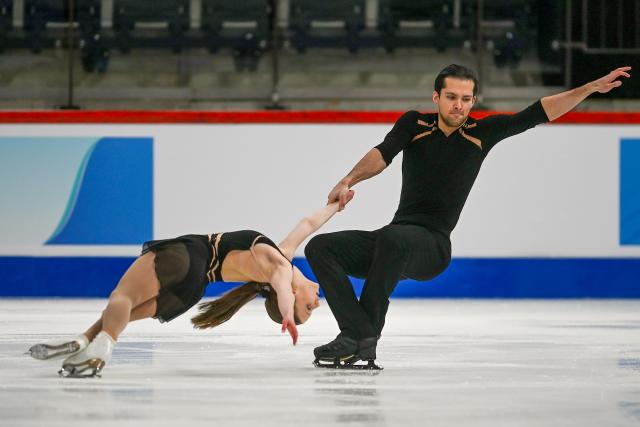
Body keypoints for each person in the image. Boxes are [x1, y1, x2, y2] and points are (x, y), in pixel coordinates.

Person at [305, 64, 632, 370]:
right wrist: (348, 180)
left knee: (394, 237)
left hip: (431, 248)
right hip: (396, 237)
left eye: (465, 99)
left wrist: (589, 88)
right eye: (451, 98)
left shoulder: (483, 132)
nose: (459, 106)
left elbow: (539, 112)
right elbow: (384, 152)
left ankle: (362, 337)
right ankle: (356, 332)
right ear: (437, 97)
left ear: (473, 100)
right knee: (320, 247)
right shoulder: (414, 124)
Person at [27, 194, 353, 377]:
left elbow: (284, 288)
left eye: (308, 306)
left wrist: (286, 313)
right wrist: (336, 204)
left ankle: (102, 348)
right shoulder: (282, 258)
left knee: (121, 297)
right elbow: (308, 224)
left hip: (189, 256)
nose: (318, 301)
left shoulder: (280, 269)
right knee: (122, 310)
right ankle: (86, 339)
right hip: (194, 287)